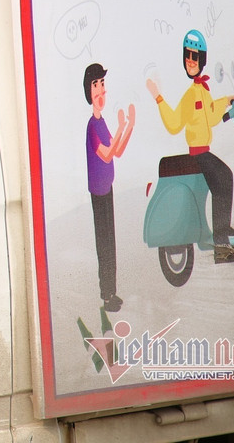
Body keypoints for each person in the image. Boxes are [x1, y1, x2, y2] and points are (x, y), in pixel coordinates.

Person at [145, 29, 234, 263]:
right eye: (188, 56)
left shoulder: (202, 90)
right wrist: (158, 98)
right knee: (224, 177)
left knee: (225, 177)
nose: (190, 62)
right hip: (197, 155)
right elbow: (175, 123)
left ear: (202, 60)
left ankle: (221, 231)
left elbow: (210, 115)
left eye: (194, 57)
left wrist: (227, 105)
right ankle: (221, 243)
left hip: (204, 152)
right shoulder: (191, 94)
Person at [83, 63, 134, 313]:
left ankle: (111, 292)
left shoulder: (102, 122)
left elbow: (118, 151)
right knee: (104, 243)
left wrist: (128, 126)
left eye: (102, 84)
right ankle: (106, 294)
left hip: (107, 187)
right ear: (88, 91)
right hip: (99, 192)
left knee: (109, 242)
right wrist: (124, 126)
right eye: (96, 85)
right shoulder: (93, 126)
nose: (101, 91)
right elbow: (105, 154)